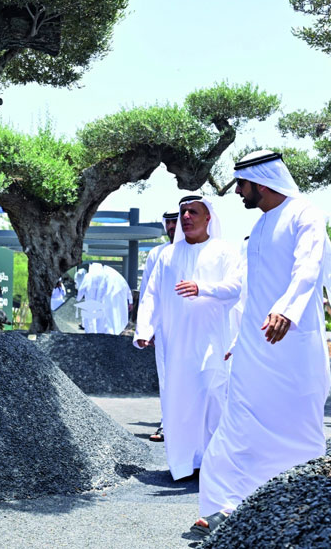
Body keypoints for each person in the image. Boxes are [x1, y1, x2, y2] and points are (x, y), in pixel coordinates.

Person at [191, 150, 331, 541]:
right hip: (255, 348)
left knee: (300, 429)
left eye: (241, 185)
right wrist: (240, 339)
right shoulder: (257, 229)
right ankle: (224, 505)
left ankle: (305, 505)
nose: (238, 193)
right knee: (237, 423)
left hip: (293, 348)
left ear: (260, 182)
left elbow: (307, 269)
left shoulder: (305, 213)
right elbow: (253, 293)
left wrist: (287, 310)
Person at [134, 195, 241, 479]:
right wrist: (145, 329)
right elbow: (152, 295)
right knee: (179, 401)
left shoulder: (224, 252)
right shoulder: (168, 255)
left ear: (209, 218)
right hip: (175, 344)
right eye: (183, 212)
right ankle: (186, 463)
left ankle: (214, 461)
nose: (187, 217)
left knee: (212, 393)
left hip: (210, 341)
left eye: (194, 211)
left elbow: (236, 287)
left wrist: (202, 288)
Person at [135, 210, 179, 443]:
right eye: (169, 223)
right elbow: (147, 293)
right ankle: (167, 423)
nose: (172, 226)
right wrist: (146, 327)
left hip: (198, 327)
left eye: (176, 222)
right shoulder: (157, 253)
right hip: (164, 328)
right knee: (167, 376)